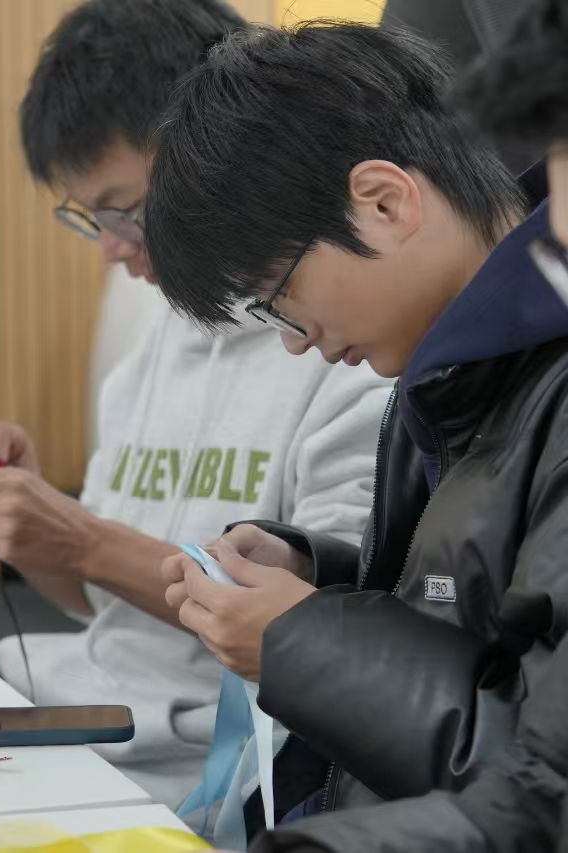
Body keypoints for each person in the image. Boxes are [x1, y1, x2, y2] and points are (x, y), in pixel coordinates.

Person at [0, 0, 392, 808]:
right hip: (71, 717)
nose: (112, 247)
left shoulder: (349, 351)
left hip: (196, 770)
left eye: (124, 210)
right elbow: (96, 603)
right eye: (90, 218)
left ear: (217, 151)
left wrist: (83, 537)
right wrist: (35, 527)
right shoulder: (156, 347)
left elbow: (316, 631)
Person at [143, 18, 568, 836]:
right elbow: (475, 615)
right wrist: (322, 578)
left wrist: (302, 645)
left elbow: (540, 784)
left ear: (383, 202)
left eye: (279, 296)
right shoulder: (451, 367)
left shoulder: (527, 379)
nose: (295, 341)